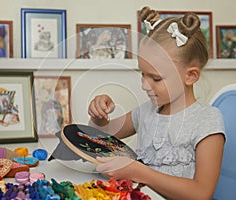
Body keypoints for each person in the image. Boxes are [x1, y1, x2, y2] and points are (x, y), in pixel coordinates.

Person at [87, 6, 226, 200]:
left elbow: (201, 193)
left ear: (190, 76)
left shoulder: (207, 120)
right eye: (142, 74)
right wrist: (99, 117)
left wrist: (138, 172)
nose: (144, 85)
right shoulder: (146, 112)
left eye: (156, 78)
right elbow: (97, 138)